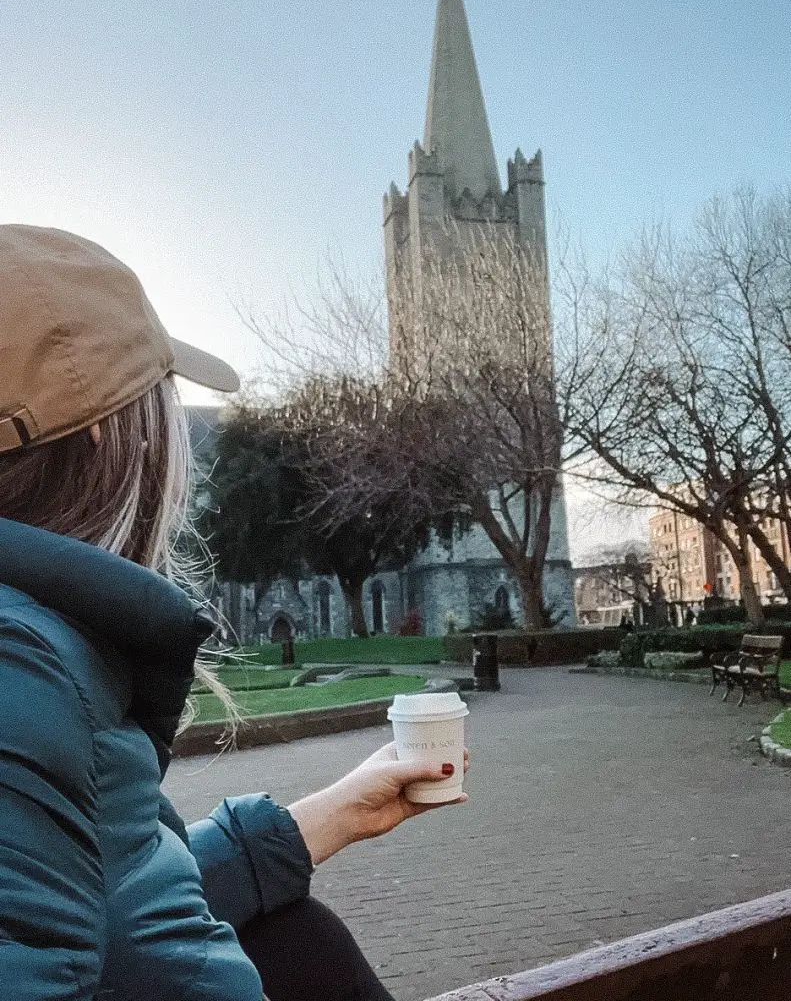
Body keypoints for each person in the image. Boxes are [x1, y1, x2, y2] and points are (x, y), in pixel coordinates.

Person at [0, 225, 469, 1001]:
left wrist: (318, 822)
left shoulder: (45, 648)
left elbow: (94, 900)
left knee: (290, 932)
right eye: (163, 403)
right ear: (105, 431)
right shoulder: (21, 667)